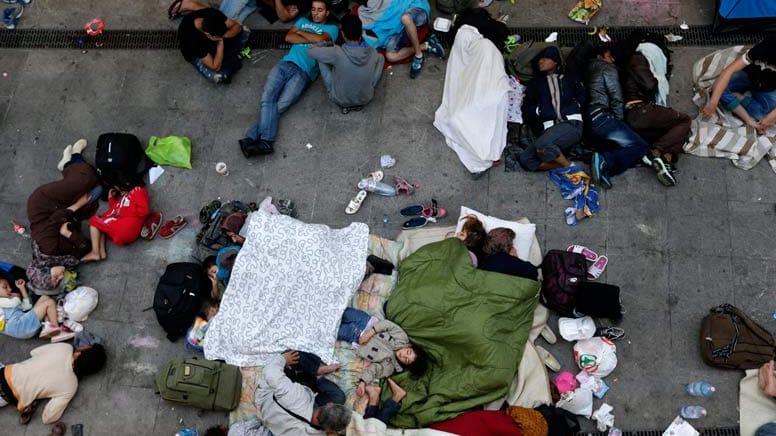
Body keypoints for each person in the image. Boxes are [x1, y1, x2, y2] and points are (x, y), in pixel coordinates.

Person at [239, 0, 338, 158]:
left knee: (280, 106)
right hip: (285, 64)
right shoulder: (303, 21)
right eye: (313, 9)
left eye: (320, 10)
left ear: (327, 13)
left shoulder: (332, 29)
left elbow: (322, 40)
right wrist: (311, 38)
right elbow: (288, 37)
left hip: (304, 73)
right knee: (267, 99)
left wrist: (301, 33)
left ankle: (252, 137)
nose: (316, 13)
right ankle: (265, 142)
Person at [584, 45, 667, 188]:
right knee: (640, 145)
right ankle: (605, 161)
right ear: (599, 56)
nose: (613, 60)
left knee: (615, 146)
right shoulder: (607, 69)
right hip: (603, 117)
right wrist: (621, 122)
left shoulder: (587, 70)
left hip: (588, 122)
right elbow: (616, 98)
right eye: (609, 56)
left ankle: (605, 168)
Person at [623, 46, 691, 184]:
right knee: (684, 120)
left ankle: (665, 160)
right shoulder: (638, 59)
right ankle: (656, 152)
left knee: (672, 134)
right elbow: (650, 84)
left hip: (636, 115)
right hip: (640, 109)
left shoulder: (633, 64)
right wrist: (657, 78)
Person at [27, 140, 101, 262]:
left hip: (45, 204)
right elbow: (85, 246)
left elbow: (55, 219)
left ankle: (71, 160)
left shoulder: (47, 249)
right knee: (98, 189)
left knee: (85, 179)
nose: (61, 277)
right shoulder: (65, 261)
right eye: (59, 281)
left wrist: (78, 204)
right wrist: (68, 234)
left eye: (55, 278)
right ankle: (69, 165)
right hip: (67, 211)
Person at [0, 342, 107, 425]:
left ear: (80, 352)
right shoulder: (70, 386)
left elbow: (34, 352)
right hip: (6, 395)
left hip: (5, 372)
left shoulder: (65, 348)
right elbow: (47, 418)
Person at [519, 47, 587, 174]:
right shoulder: (535, 84)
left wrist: (575, 106)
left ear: (555, 61)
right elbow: (526, 108)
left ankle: (573, 169)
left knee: (542, 145)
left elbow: (583, 95)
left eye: (545, 59)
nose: (541, 62)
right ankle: (561, 162)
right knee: (526, 159)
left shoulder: (569, 78)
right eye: (539, 60)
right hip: (549, 129)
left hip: (570, 124)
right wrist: (539, 110)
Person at [256, 350, 350, 435]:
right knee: (339, 398)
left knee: (294, 355)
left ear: (329, 404)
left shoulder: (297, 396)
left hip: (268, 397)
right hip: (295, 407)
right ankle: (316, 376)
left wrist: (283, 358)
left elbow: (270, 372)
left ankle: (316, 371)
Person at [337, 308, 428, 395]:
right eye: (408, 352)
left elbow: (374, 369)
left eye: (406, 360)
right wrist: (370, 333)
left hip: (354, 336)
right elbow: (387, 325)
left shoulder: (389, 368)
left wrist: (363, 383)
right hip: (365, 321)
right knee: (339, 310)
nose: (403, 356)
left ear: (406, 365)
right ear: (410, 347)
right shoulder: (402, 338)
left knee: (331, 328)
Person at [307, 14, 384, 111]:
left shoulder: (336, 52)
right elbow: (379, 56)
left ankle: (343, 102)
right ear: (361, 33)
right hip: (365, 98)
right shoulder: (372, 52)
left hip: (339, 99)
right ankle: (370, 86)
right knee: (381, 58)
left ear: (343, 34)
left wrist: (327, 43)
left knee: (321, 57)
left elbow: (310, 51)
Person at [702, 35, 776, 135]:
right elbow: (729, 71)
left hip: (768, 87)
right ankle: (748, 119)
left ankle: (741, 98)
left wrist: (770, 117)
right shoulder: (767, 45)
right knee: (717, 88)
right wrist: (712, 103)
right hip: (749, 76)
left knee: (765, 116)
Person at [357, 0, 444, 78]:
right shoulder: (364, 11)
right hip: (398, 27)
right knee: (390, 56)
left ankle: (419, 56)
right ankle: (426, 46)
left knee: (405, 18)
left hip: (415, 8)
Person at [82, 179, 151, 262]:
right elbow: (115, 211)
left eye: (121, 190)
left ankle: (95, 252)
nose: (121, 193)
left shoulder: (137, 190)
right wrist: (110, 198)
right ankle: (101, 252)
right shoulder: (124, 199)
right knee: (100, 223)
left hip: (126, 228)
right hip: (122, 227)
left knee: (94, 220)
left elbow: (144, 210)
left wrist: (123, 211)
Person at [177, 6, 249, 84]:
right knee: (218, 76)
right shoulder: (192, 40)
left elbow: (237, 27)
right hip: (197, 54)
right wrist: (220, 42)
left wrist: (224, 35)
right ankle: (236, 56)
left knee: (245, 31)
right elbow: (215, 67)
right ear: (208, 34)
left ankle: (234, 59)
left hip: (213, 42)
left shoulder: (212, 13)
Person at [0, 275, 72, 342]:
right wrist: (17, 296)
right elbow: (14, 303)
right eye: (5, 287)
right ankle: (57, 331)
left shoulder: (7, 302)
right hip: (19, 326)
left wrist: (22, 288)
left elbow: (27, 306)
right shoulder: (4, 301)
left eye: (9, 286)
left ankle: (47, 327)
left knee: (45, 297)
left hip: (21, 323)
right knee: (50, 302)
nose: (10, 289)